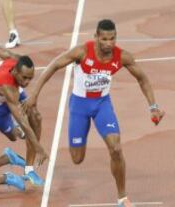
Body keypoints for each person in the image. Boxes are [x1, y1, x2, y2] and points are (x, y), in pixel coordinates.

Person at [24, 19, 165, 207]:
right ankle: (83, 132)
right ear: (96, 37)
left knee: (115, 148)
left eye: (112, 39)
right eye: (104, 39)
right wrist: (34, 95)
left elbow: (143, 79)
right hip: (79, 106)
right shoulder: (82, 52)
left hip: (102, 105)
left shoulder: (122, 56)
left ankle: (122, 198)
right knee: (77, 159)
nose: (109, 43)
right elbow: (54, 65)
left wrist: (153, 106)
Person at [0, 35, 48, 186]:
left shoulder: (15, 59)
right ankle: (12, 155)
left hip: (12, 92)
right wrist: (39, 148)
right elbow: (23, 122)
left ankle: (28, 169)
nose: (27, 82)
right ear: (16, 72)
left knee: (36, 117)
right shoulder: (9, 87)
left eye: (30, 78)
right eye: (25, 78)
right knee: (15, 135)